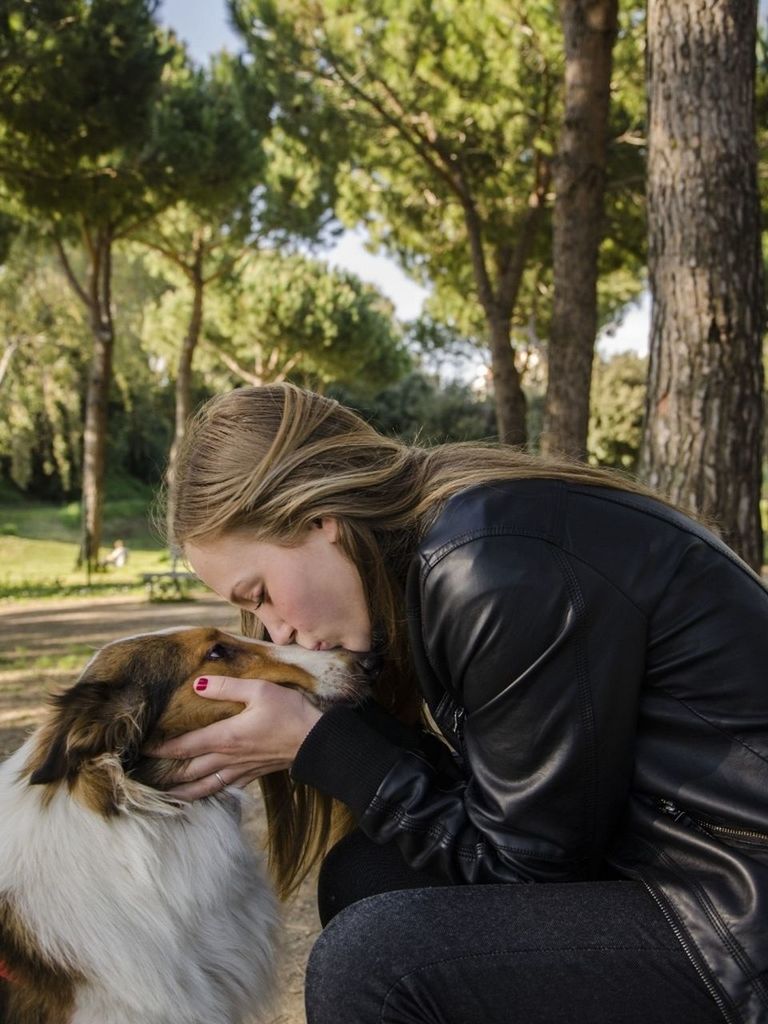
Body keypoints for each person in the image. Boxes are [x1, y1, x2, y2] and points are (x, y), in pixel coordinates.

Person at [150, 382, 768, 1024]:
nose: (275, 632)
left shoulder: (489, 568)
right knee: (368, 873)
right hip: (692, 873)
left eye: (261, 594)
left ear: (319, 518)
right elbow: (527, 823)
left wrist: (324, 747)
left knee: (378, 965)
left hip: (740, 906)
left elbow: (526, 872)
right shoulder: (461, 535)